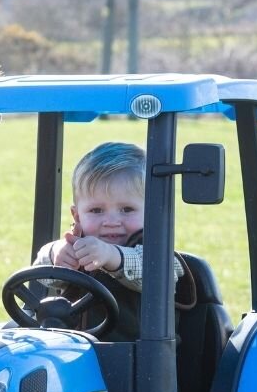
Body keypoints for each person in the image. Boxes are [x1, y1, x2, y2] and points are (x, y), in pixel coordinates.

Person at [32, 141, 188, 340]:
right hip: (72, 355)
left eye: (127, 209)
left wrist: (112, 256)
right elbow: (41, 276)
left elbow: (160, 275)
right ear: (77, 215)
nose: (111, 222)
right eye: (96, 210)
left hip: (138, 361)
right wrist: (56, 254)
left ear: (152, 212)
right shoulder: (77, 245)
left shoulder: (158, 253)